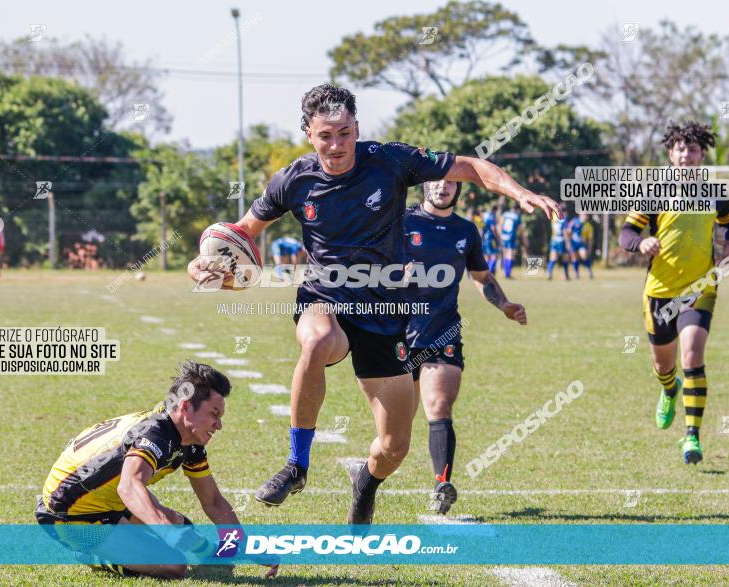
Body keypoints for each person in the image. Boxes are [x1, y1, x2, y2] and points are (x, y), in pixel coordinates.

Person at [188, 83, 561, 525]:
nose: (337, 145)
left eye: (345, 133)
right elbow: (242, 231)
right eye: (326, 135)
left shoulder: (389, 160)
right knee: (317, 340)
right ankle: (296, 464)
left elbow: (470, 166)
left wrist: (518, 193)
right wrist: (206, 265)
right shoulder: (293, 180)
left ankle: (366, 482)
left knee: (393, 446)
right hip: (324, 294)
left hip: (384, 309)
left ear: (357, 128)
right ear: (309, 132)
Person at [35, 360, 278, 579]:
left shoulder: (187, 440)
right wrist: (166, 532)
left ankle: (210, 554)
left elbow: (212, 500)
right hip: (67, 514)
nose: (219, 424)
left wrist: (242, 545)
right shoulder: (154, 434)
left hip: (104, 499)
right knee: (174, 565)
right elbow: (129, 486)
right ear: (185, 406)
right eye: (214, 414)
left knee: (180, 525)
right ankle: (91, 555)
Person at [619, 121, 729, 464]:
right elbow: (626, 233)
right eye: (680, 149)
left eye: (693, 149)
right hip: (658, 291)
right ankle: (668, 389)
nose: (687, 155)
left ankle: (692, 438)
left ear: (702, 154)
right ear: (671, 154)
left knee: (692, 356)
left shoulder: (714, 191)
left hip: (700, 288)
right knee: (663, 364)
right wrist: (641, 242)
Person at [405, 180, 527, 514]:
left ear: (459, 191)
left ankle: (441, 483)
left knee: (439, 403)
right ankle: (369, 478)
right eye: (437, 181)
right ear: (425, 185)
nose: (443, 187)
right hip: (397, 332)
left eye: (451, 183)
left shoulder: (465, 231)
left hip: (443, 331)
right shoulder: (401, 221)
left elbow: (481, 276)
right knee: (395, 433)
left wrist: (504, 304)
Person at [498, 204, 527, 279]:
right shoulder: (517, 217)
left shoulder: (505, 214)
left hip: (504, 237)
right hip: (511, 238)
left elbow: (500, 225)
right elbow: (520, 230)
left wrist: (500, 235)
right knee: (510, 256)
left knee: (505, 255)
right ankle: (508, 274)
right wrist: (524, 240)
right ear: (517, 210)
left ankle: (506, 273)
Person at [567, 212, 593, 278]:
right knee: (574, 258)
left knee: (584, 256)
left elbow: (589, 239)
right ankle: (576, 273)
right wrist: (568, 242)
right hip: (573, 243)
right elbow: (568, 231)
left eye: (587, 215)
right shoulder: (574, 221)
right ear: (580, 215)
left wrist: (589, 248)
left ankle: (589, 271)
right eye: (584, 215)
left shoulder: (588, 225)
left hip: (581, 244)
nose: (586, 216)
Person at [546, 215, 571, 280]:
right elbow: (565, 232)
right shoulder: (564, 218)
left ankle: (549, 273)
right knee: (565, 258)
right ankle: (566, 275)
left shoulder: (554, 217)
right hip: (561, 240)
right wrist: (568, 242)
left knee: (553, 258)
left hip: (554, 239)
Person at [480, 204, 501, 274]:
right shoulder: (492, 216)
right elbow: (493, 228)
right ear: (496, 210)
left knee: (486, 256)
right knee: (494, 255)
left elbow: (481, 226)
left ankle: (484, 271)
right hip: (491, 239)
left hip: (485, 238)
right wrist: (498, 236)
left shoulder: (485, 215)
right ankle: (490, 272)